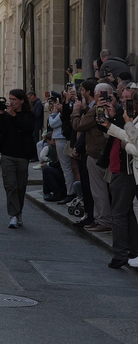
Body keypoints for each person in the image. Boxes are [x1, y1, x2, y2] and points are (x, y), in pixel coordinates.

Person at [100, 83, 138, 267]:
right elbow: (123, 134)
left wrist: (118, 120)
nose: (124, 103)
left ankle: (121, 254)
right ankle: (131, 251)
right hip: (119, 168)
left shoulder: (130, 117)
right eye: (122, 99)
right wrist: (109, 122)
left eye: (127, 100)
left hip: (127, 170)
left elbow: (134, 144)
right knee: (125, 213)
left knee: (119, 214)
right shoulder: (125, 117)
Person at [72, 82, 113, 233]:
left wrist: (76, 111)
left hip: (97, 154)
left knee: (98, 190)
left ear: (97, 94)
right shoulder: (109, 108)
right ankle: (103, 219)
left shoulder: (97, 109)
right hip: (105, 154)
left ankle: (103, 220)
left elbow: (78, 125)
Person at [0, 88, 38, 229]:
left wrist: (14, 116)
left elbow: (27, 128)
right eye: (10, 99)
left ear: (21, 100)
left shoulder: (28, 115)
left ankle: (18, 212)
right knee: (10, 185)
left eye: (14, 99)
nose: (12, 102)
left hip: (22, 155)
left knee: (20, 186)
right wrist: (1, 115)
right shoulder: (7, 115)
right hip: (7, 154)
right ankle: (13, 214)